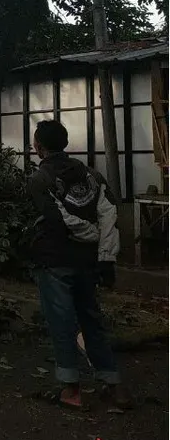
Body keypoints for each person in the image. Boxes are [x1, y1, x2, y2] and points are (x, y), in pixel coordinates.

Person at [27, 119, 131, 410]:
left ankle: (71, 389)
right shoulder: (92, 175)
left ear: (39, 147)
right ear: (65, 143)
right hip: (89, 261)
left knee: (62, 322)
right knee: (92, 320)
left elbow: (58, 219)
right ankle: (114, 386)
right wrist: (106, 256)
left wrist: (89, 234)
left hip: (55, 261)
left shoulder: (39, 180)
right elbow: (109, 215)